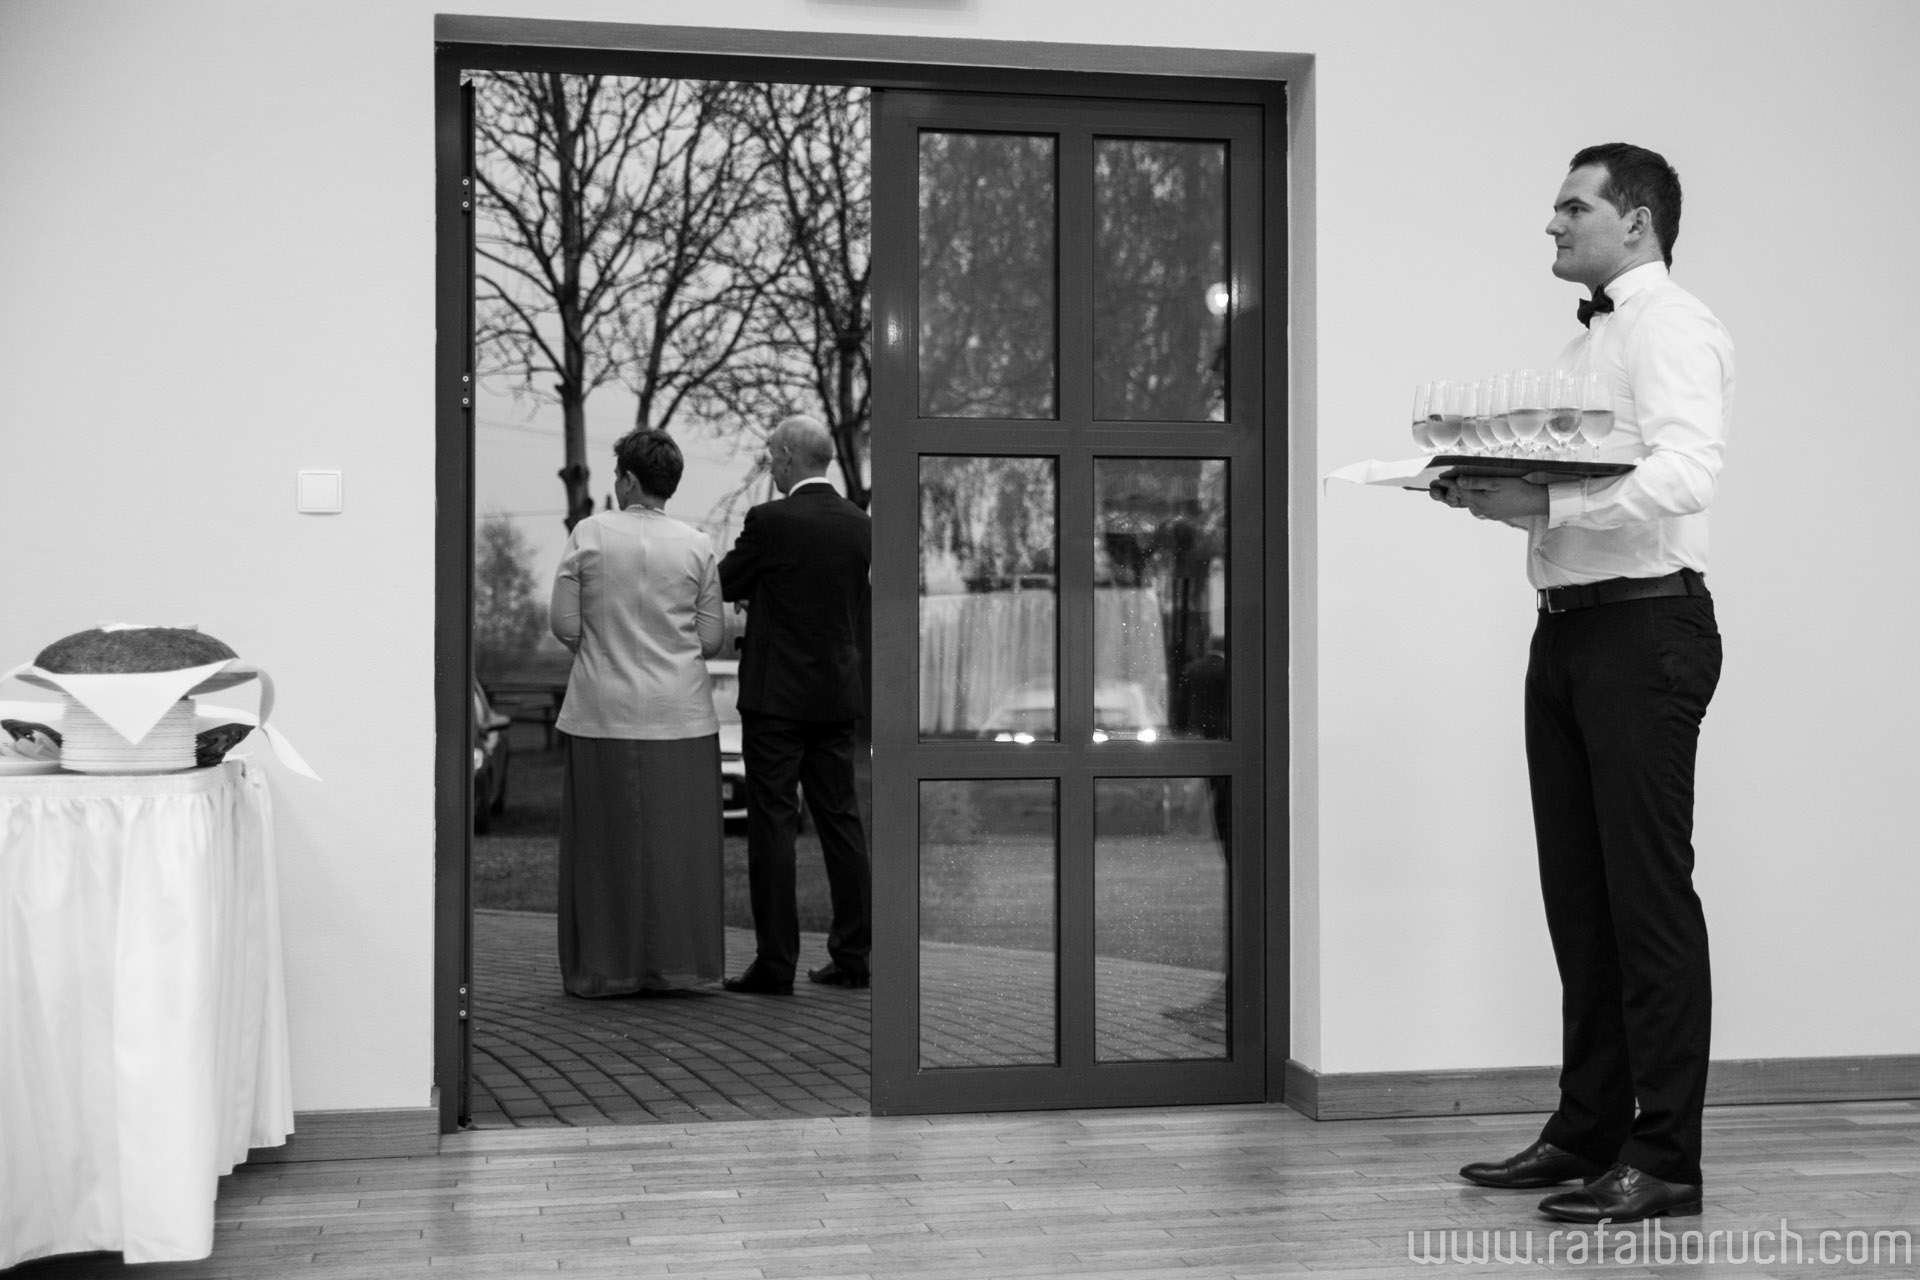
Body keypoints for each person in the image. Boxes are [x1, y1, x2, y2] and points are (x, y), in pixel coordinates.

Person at [1435, 144, 1733, 1225]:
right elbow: (1575, 487)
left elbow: (1688, 471)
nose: (1553, 224)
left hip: (1645, 632)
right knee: (1580, 898)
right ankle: (1588, 1127)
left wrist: (1551, 504)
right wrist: (1497, 492)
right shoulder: (1583, 345)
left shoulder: (1674, 327)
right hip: (1566, 633)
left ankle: (1666, 1157)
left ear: (1637, 221)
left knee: (1647, 899)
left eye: (1574, 206)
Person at [549, 428, 727, 997]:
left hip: (603, 709)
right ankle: (678, 965)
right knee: (677, 850)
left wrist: (605, 648)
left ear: (627, 479)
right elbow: (712, 638)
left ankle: (607, 967)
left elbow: (564, 623)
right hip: (681, 714)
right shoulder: (698, 545)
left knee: (603, 848)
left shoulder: (590, 533)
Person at [718, 414, 873, 996]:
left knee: (774, 828)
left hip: (775, 701)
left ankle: (776, 964)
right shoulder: (861, 525)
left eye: (770, 456)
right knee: (841, 824)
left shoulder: (769, 521)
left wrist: (755, 593)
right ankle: (853, 956)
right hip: (835, 696)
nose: (769, 465)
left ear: (786, 456)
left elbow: (724, 582)